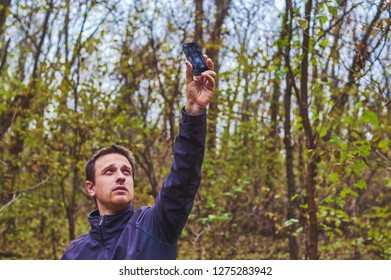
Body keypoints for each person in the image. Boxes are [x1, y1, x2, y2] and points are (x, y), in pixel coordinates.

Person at [61, 54, 216, 260]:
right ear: (91, 187)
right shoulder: (75, 253)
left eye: (126, 171)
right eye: (109, 171)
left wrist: (194, 112)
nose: (121, 177)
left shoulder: (155, 225)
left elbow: (183, 177)